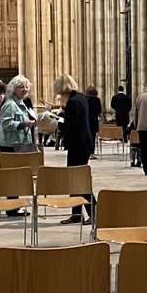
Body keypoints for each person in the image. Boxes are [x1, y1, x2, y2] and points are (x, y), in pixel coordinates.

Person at [56, 75, 93, 223]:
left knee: (78, 180)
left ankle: (94, 212)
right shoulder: (82, 98)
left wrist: (58, 123)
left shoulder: (72, 102)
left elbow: (70, 127)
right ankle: (77, 214)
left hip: (77, 146)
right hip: (85, 144)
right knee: (76, 179)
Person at [0, 76, 36, 152]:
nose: (25, 89)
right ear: (13, 89)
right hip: (10, 145)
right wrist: (24, 124)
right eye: (21, 87)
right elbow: (6, 124)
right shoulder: (10, 104)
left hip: (20, 143)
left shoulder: (21, 102)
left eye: (27, 87)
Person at [84, 85, 103, 155]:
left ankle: (86, 151)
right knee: (92, 137)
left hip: (86, 121)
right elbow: (99, 110)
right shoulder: (97, 100)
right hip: (94, 121)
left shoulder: (85, 99)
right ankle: (92, 152)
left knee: (86, 137)